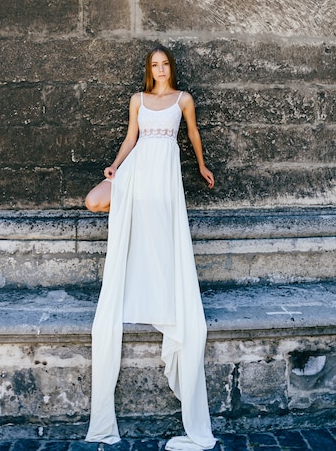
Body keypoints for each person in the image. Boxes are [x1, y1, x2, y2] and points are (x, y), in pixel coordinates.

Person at [84, 45, 217, 451]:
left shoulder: (183, 99)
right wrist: (115, 165)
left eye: (165, 64)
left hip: (165, 174)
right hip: (138, 166)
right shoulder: (138, 99)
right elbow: (131, 136)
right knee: (95, 199)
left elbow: (192, 133)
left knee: (161, 231)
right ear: (149, 70)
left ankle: (159, 292)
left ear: (171, 68)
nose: (160, 69)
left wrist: (201, 165)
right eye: (154, 65)